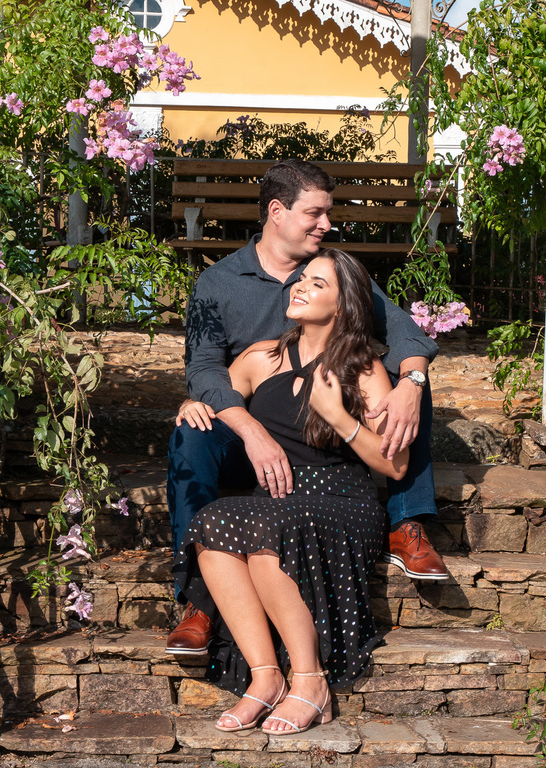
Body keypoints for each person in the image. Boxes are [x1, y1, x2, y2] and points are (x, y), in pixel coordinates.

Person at [165, 159, 449, 657]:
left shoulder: (327, 273)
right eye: (314, 213)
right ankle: (199, 602)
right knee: (191, 435)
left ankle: (405, 521)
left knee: (409, 385)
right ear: (277, 212)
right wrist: (246, 427)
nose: (327, 224)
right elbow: (205, 367)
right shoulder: (218, 284)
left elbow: (404, 331)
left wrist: (413, 380)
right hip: (251, 419)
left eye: (328, 214)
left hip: (318, 436)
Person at [174, 249, 405, 733]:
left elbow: (395, 464)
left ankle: (311, 681)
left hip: (342, 500)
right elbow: (215, 398)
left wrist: (340, 418)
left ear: (343, 306)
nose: (300, 286)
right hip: (278, 498)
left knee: (265, 532)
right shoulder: (262, 358)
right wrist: (192, 407)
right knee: (210, 523)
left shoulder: (363, 368)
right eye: (302, 278)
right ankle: (265, 678)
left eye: (318, 284)